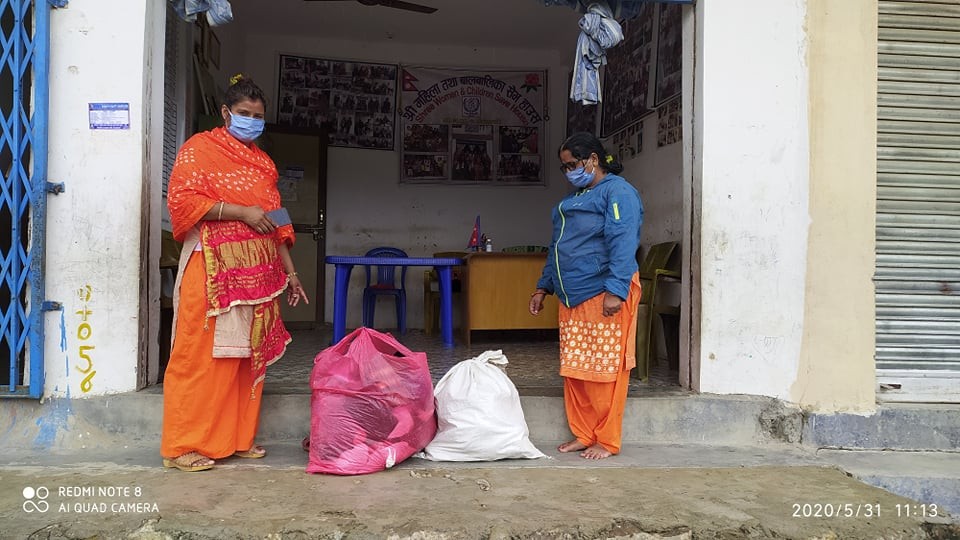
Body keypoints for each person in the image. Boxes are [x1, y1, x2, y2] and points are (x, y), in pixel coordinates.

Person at [161, 75, 309, 472]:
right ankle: (183, 446)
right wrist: (241, 212)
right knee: (200, 355)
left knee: (245, 357)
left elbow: (277, 219)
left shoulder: (263, 164)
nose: (251, 121)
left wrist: (292, 274)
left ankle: (235, 439)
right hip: (211, 268)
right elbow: (183, 201)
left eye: (258, 116)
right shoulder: (199, 151)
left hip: (259, 277)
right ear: (226, 113)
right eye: (244, 114)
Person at [529, 132, 643, 460]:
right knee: (576, 370)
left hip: (602, 291)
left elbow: (623, 240)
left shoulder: (618, 192)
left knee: (605, 370)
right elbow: (557, 247)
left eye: (572, 164)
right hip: (571, 295)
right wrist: (543, 287)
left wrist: (616, 289)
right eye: (564, 167)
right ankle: (584, 433)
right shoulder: (574, 199)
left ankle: (606, 440)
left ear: (593, 159)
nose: (568, 172)